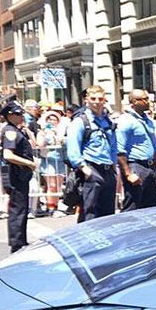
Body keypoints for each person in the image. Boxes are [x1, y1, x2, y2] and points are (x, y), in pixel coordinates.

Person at [65, 85, 118, 222]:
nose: (96, 101)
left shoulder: (108, 121)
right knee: (90, 212)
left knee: (108, 213)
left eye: (100, 98)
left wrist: (113, 165)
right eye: (93, 98)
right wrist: (84, 168)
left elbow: (113, 145)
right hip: (91, 169)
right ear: (86, 100)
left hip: (107, 170)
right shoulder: (80, 121)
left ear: (104, 100)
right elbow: (73, 147)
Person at [0, 101, 37, 252]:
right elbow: (8, 155)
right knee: (17, 209)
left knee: (22, 207)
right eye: (18, 114)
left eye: (21, 113)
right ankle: (17, 243)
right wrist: (29, 163)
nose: (21, 116)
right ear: (9, 116)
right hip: (15, 174)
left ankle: (21, 239)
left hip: (20, 174)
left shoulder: (17, 130)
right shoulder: (10, 131)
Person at [116, 89, 156, 210]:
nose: (148, 102)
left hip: (150, 167)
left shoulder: (148, 120)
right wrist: (128, 173)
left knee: (152, 205)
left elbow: (154, 146)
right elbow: (119, 149)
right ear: (134, 101)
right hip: (135, 166)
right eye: (144, 99)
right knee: (133, 205)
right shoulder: (126, 120)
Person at [36, 110, 65, 214]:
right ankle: (50, 207)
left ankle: (56, 206)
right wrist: (45, 133)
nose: (52, 121)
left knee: (58, 185)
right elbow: (39, 144)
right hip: (48, 159)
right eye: (49, 119)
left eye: (54, 119)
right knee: (51, 185)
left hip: (59, 159)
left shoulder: (60, 131)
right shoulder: (42, 132)